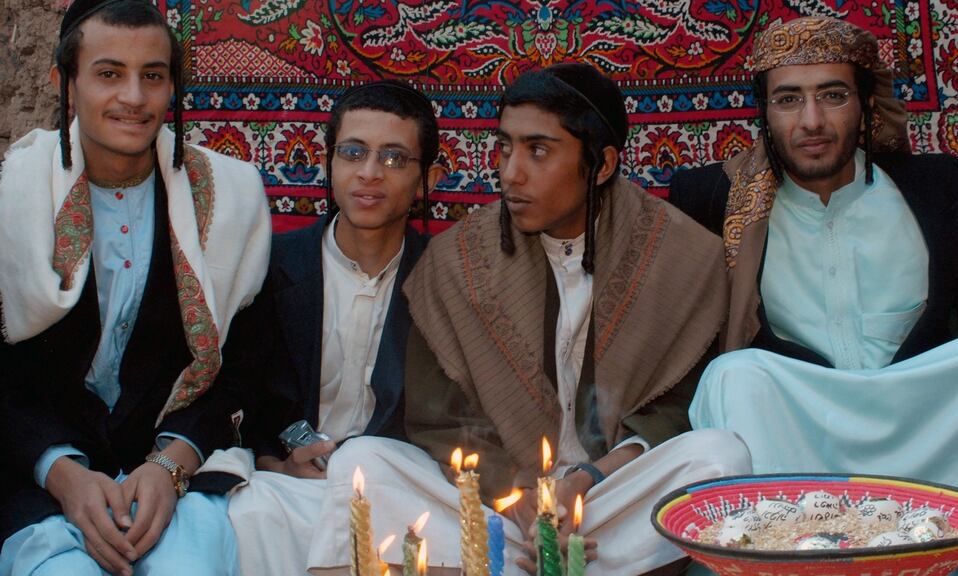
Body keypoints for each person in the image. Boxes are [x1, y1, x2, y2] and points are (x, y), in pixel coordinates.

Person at [304, 63, 752, 576]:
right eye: (504, 147)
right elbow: (438, 421)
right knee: (362, 462)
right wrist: (522, 503)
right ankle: (542, 560)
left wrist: (581, 482)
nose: (511, 172)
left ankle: (525, 563)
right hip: (499, 505)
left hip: (608, 494)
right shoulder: (455, 263)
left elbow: (679, 407)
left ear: (601, 164)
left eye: (538, 150)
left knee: (720, 456)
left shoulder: (682, 255)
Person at [668, 16, 958, 568]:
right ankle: (783, 554)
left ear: (864, 105)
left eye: (832, 96)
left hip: (922, 417)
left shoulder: (931, 183)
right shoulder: (714, 198)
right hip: (800, 425)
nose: (812, 121)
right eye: (789, 99)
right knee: (735, 375)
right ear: (764, 112)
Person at [0, 1, 271, 575]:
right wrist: (61, 473)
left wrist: (171, 466)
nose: (134, 97)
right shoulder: (10, 202)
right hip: (34, 483)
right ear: (64, 84)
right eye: (108, 73)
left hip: (179, 476)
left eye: (153, 75)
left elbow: (245, 366)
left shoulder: (231, 199)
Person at [219, 80, 444, 576]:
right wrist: (275, 462)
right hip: (291, 489)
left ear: (428, 176)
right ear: (329, 162)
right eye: (354, 152)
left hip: (398, 490)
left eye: (393, 158)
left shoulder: (446, 279)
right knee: (245, 515)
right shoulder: (270, 267)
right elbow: (234, 394)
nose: (368, 173)